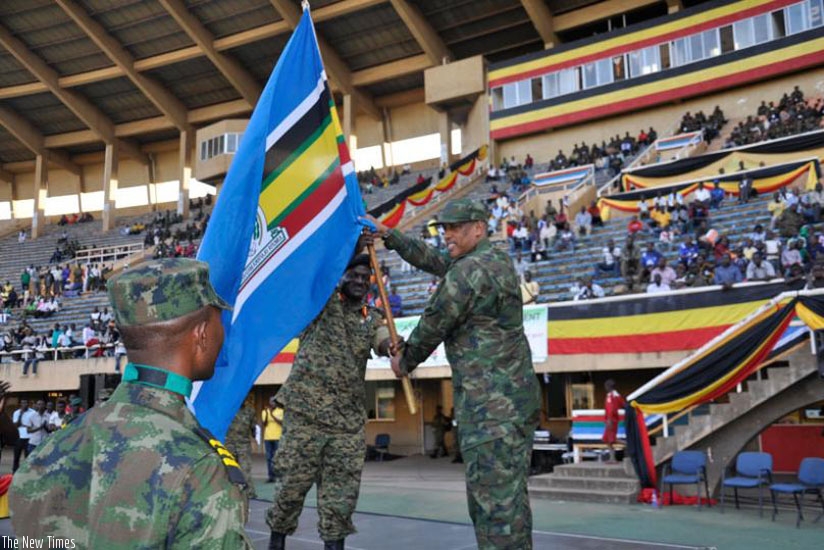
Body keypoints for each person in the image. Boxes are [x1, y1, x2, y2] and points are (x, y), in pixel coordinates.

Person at [10, 258, 252, 548]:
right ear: (201, 334)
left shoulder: (50, 451)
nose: (222, 335)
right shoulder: (200, 470)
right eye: (218, 322)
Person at [367, 199, 540, 550]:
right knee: (511, 502)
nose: (447, 233)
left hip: (489, 410)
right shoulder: (494, 260)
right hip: (512, 408)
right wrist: (391, 236)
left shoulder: (467, 274)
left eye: (456, 227)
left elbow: (434, 322)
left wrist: (405, 360)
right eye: (444, 228)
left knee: (493, 508)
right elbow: (439, 262)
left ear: (478, 227)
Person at [266, 239, 392, 550]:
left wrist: (392, 345)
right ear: (341, 276)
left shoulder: (371, 316)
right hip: (306, 418)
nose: (361, 282)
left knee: (340, 500)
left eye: (366, 278)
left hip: (346, 425)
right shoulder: (319, 304)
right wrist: (348, 244)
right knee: (290, 492)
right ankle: (275, 543)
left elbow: (382, 336)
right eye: (354, 276)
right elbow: (314, 274)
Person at [226, 396, 258, 500]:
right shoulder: (228, 409)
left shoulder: (250, 411)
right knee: (229, 469)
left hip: (243, 444)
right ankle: (231, 492)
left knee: (245, 469)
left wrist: (254, 436)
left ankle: (249, 493)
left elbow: (253, 426)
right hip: (229, 443)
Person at [262, 395, 284, 483]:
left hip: (277, 437)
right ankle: (271, 476)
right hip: (268, 437)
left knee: (278, 457)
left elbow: (281, 423)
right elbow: (265, 423)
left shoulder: (281, 411)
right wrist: (268, 413)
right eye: (271, 402)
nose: (273, 403)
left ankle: (279, 476)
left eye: (274, 401)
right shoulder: (265, 411)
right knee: (269, 457)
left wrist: (272, 414)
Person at [602, 379, 625, 463]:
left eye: (606, 386)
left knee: (611, 439)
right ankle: (612, 458)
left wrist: (609, 419)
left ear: (608, 386)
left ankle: (628, 444)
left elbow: (611, 409)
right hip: (612, 419)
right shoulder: (616, 395)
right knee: (608, 439)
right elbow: (623, 404)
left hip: (611, 420)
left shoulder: (611, 396)